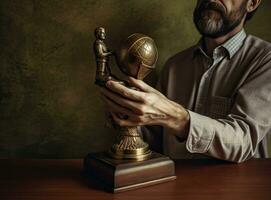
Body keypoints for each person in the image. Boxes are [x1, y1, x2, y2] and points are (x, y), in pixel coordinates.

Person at [100, 0, 271, 163]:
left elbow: (243, 140)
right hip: (173, 187)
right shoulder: (174, 66)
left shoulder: (265, 60)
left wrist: (176, 117)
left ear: (252, 3)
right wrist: (126, 114)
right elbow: (155, 140)